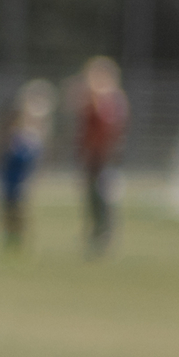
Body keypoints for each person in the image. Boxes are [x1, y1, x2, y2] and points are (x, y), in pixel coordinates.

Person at [74, 59, 126, 256]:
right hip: (91, 157)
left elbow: (113, 129)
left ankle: (104, 234)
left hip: (106, 157)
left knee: (104, 197)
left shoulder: (113, 101)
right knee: (91, 197)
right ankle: (95, 233)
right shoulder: (90, 101)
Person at [0, 82, 49, 252]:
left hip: (22, 178)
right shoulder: (12, 132)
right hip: (9, 177)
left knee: (21, 212)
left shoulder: (33, 137)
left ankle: (20, 241)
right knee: (7, 211)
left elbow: (35, 161)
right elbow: (2, 155)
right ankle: (9, 238)